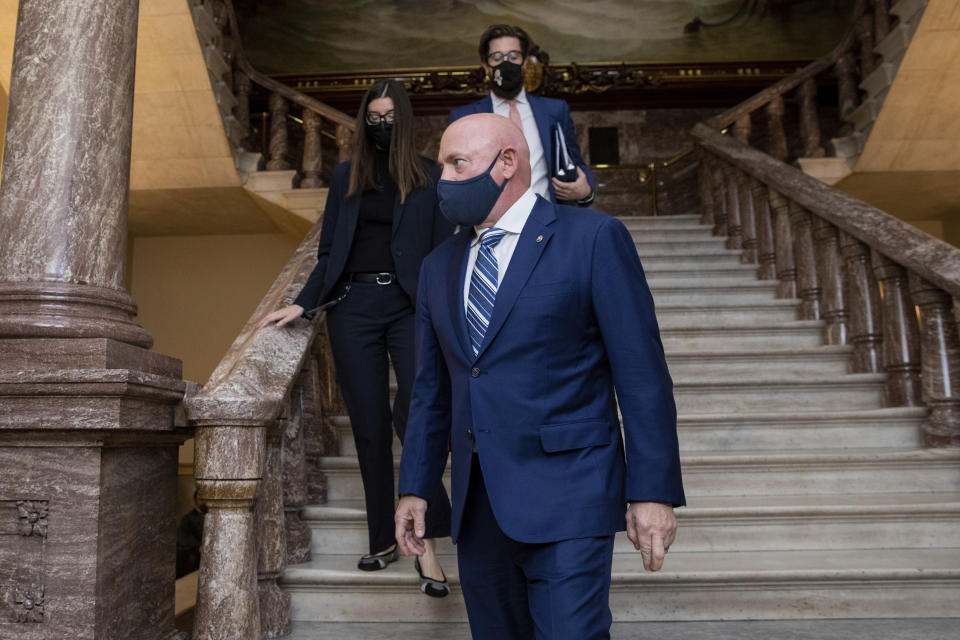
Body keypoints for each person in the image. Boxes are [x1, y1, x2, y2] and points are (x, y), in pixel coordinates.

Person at [394, 113, 685, 638]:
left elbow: (641, 377)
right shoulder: (438, 265)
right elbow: (431, 390)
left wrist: (652, 492)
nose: (444, 181)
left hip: (571, 495)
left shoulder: (594, 238)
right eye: (442, 167)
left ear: (507, 163)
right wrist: (416, 485)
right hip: (478, 507)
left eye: (457, 164)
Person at [260, 79, 454, 598]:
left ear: (405, 119)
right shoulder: (346, 176)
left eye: (390, 115)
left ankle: (428, 541)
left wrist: (443, 312)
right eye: (374, 115)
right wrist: (303, 302)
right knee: (368, 426)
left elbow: (442, 253)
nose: (381, 123)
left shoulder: (432, 177)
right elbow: (328, 253)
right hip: (353, 310)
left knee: (415, 416)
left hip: (411, 309)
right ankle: (381, 538)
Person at [450, 24, 596, 207]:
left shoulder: (555, 111)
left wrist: (585, 191)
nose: (506, 63)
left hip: (547, 221)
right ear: (486, 67)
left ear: (525, 63)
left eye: (513, 56)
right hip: (491, 225)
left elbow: (575, 162)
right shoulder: (466, 118)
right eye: (497, 57)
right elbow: (456, 178)